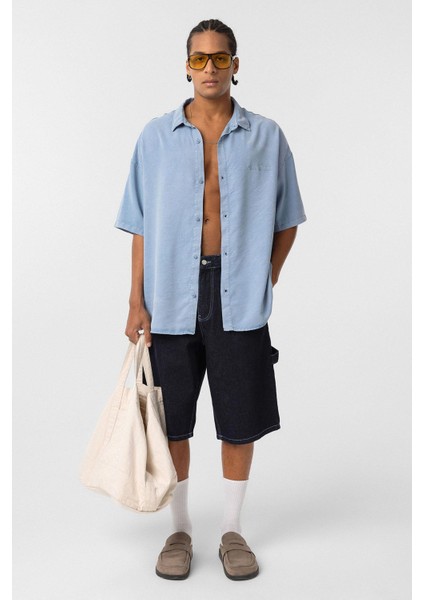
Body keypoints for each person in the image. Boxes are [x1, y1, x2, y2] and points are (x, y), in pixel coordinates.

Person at [114, 18, 306, 581]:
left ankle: (232, 530)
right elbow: (139, 224)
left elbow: (288, 217)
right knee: (172, 420)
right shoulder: (155, 136)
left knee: (239, 419)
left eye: (220, 58)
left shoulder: (267, 135)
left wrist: (265, 276)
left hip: (239, 294)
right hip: (169, 293)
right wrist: (135, 300)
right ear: (186, 66)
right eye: (199, 58)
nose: (210, 68)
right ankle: (179, 530)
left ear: (235, 65)